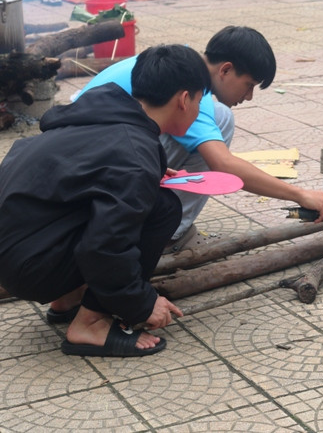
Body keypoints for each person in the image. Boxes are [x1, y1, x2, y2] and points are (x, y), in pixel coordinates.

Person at [0, 44, 211, 357]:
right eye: (199, 101)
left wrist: (146, 172)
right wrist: (141, 303)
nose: (198, 110)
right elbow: (106, 247)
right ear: (184, 99)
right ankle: (91, 323)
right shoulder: (133, 153)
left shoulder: (101, 116)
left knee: (139, 201)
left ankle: (67, 300)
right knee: (163, 208)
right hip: (31, 268)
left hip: (16, 252)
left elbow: (86, 180)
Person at [80, 26, 323, 253]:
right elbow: (223, 165)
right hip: (93, 173)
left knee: (221, 116)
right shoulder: (190, 89)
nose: (249, 96)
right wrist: (299, 194)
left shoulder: (180, 61)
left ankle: (160, 223)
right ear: (225, 69)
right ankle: (167, 236)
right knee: (216, 129)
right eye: (249, 85)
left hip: (84, 151)